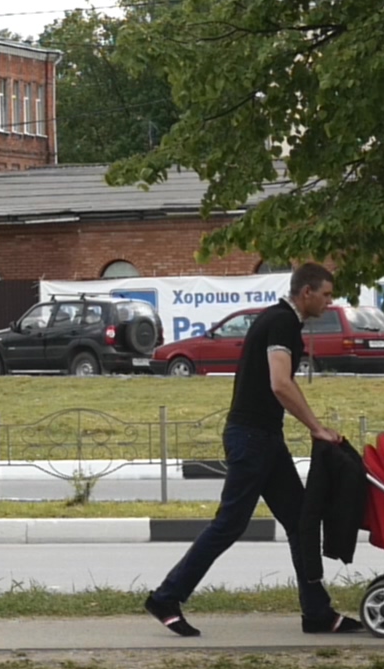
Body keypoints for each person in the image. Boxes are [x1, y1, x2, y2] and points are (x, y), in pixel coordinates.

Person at [144, 263, 343, 638]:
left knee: (301, 520)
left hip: (264, 437)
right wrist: (316, 428)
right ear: (307, 293)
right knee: (230, 524)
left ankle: (317, 612)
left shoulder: (279, 319)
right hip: (253, 439)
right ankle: (166, 597)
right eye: (326, 295)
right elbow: (280, 383)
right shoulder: (282, 322)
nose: (329, 302)